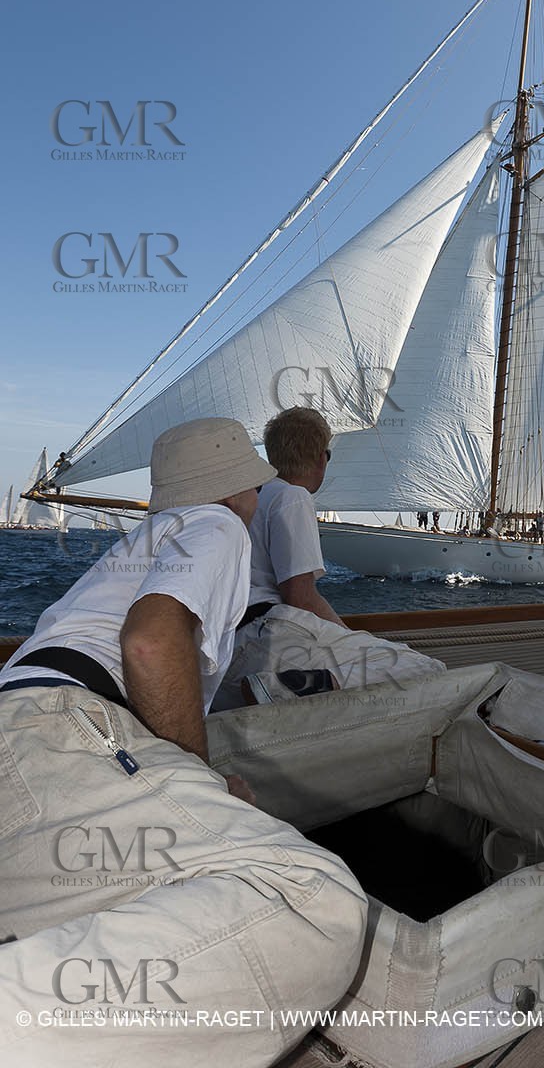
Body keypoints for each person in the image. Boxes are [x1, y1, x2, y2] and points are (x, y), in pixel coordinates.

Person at [0, 417, 367, 1064]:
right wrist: (199, 776)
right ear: (237, 490)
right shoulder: (218, 524)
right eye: (254, 485)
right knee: (313, 898)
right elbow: (148, 642)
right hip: (69, 727)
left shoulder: (142, 540)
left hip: (28, 729)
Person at [213, 408, 443, 709]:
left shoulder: (251, 497)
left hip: (229, 647)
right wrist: (350, 636)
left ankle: (286, 688)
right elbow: (299, 595)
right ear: (322, 458)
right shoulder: (292, 496)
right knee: (426, 668)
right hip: (269, 637)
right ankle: (282, 689)